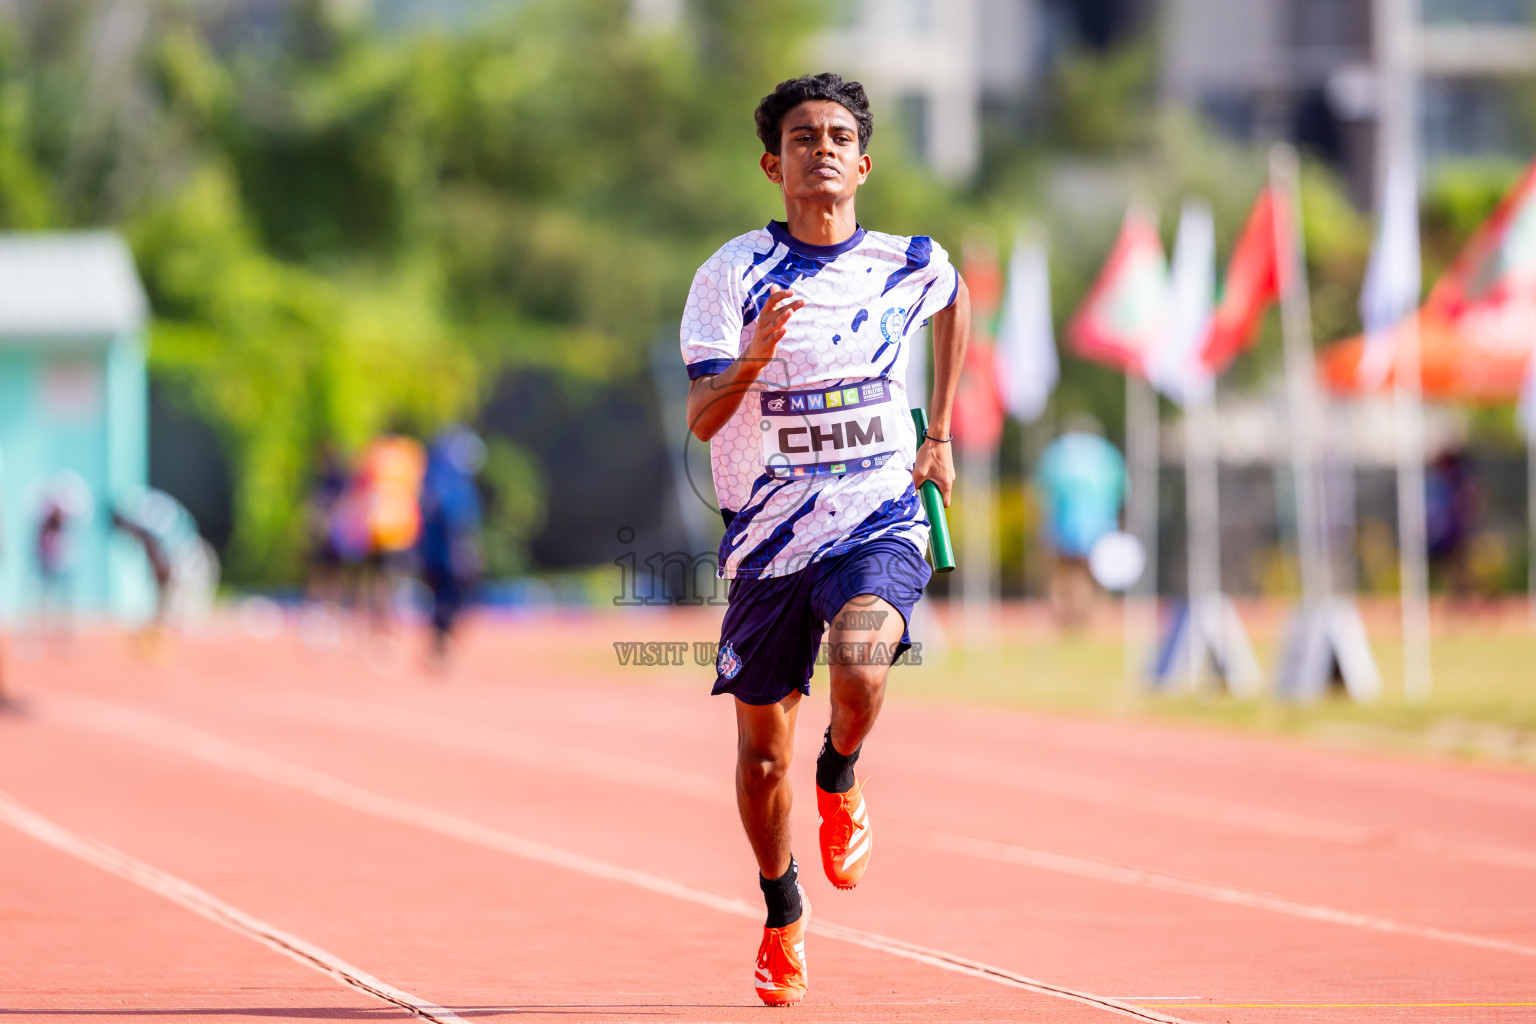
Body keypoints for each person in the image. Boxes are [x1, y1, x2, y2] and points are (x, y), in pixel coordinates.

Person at [681, 73, 969, 1006]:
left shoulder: (907, 261)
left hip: (877, 517)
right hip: (765, 543)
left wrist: (939, 433)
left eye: (839, 135)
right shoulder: (730, 276)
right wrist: (756, 357)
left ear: (865, 161)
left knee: (861, 654)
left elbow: (956, 296)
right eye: (803, 137)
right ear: (774, 165)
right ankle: (781, 906)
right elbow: (701, 417)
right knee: (762, 759)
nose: (823, 148)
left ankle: (841, 770)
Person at [1034, 423, 1127, 628]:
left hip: (1063, 526)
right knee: (1095, 576)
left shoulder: (1057, 454)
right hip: (1099, 526)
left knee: (1065, 575)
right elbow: (1120, 491)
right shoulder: (1107, 455)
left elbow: (1042, 491)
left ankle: (1068, 616)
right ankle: (1088, 617)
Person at [417, 427, 485, 665]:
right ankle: (441, 647)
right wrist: (463, 551)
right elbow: (455, 522)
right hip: (444, 556)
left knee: (447, 601)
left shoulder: (440, 479)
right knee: (448, 600)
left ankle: (442, 644)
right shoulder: (447, 482)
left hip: (436, 555)